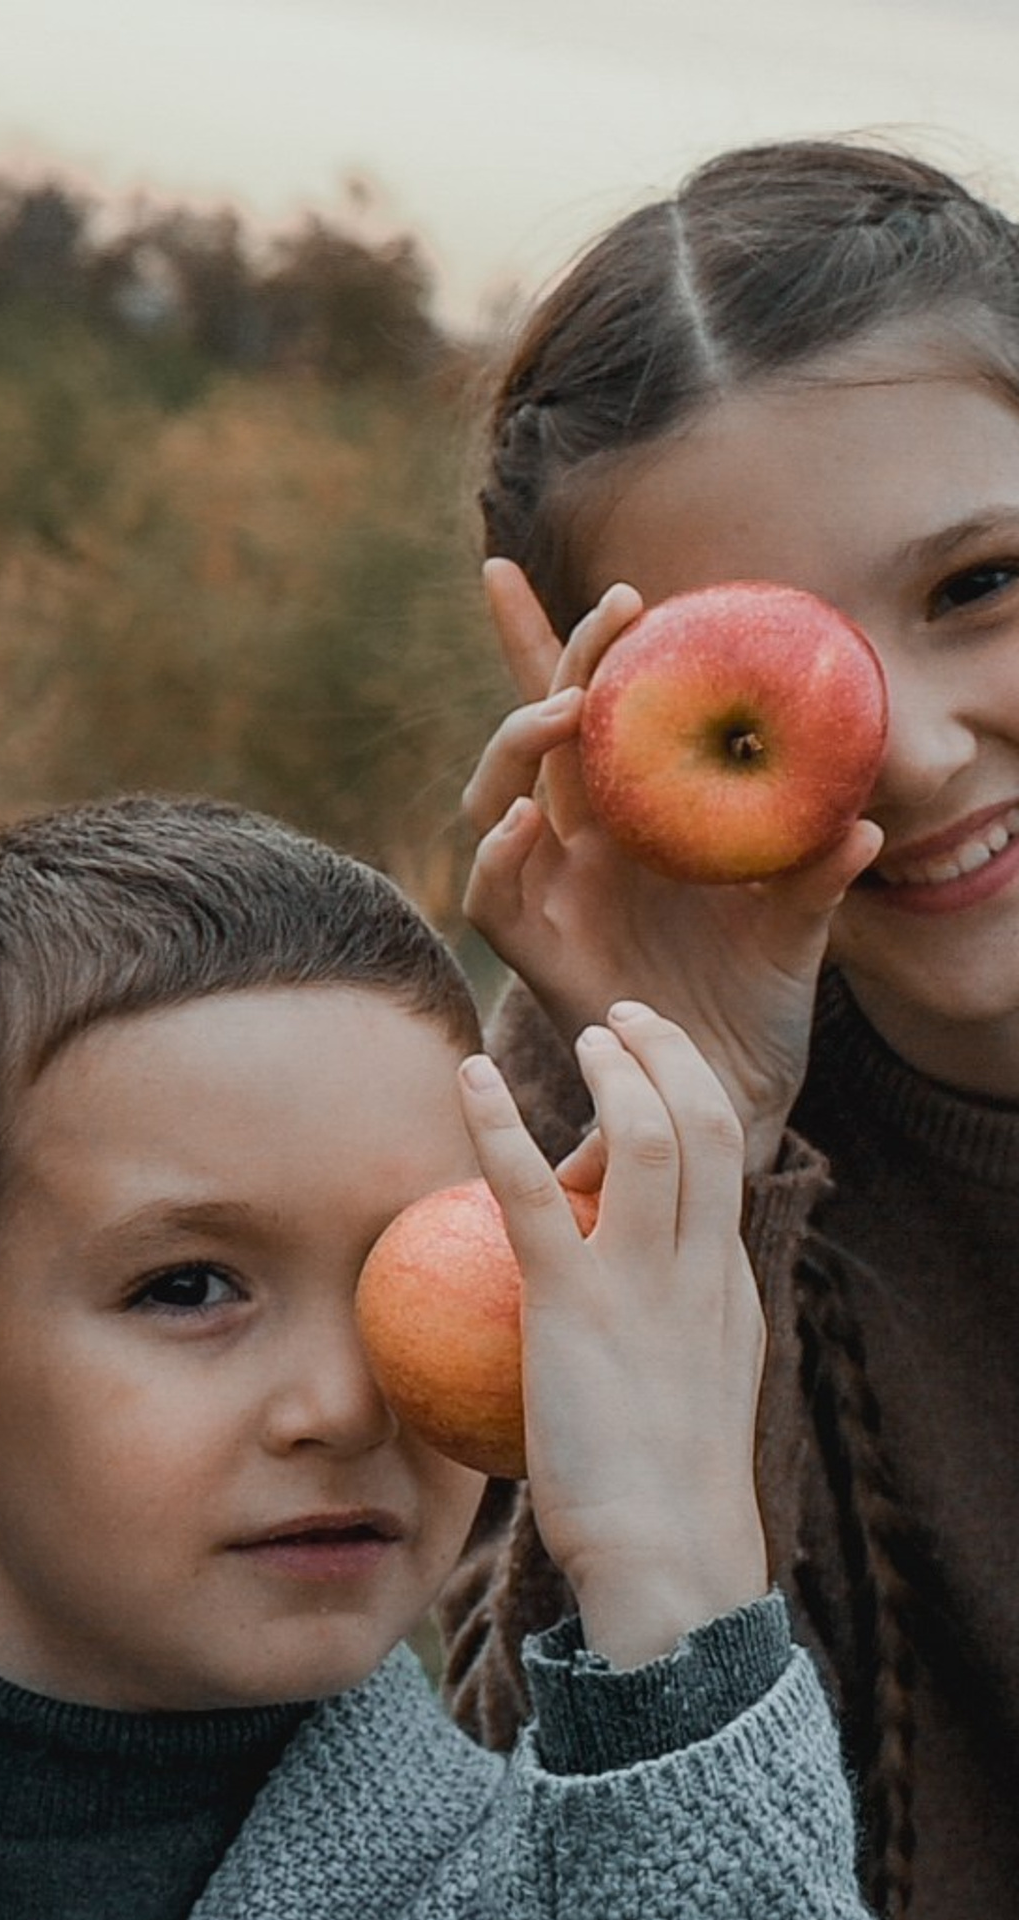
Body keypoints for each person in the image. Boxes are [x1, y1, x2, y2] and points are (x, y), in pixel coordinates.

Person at [0, 792, 868, 1920]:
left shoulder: (564, 1879)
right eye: (189, 1287)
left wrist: (679, 1604)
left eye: (410, 1275)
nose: (343, 1405)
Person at [436, 136, 1019, 1919]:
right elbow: (538, 1845)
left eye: (980, 586)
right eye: (764, 673)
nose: (911, 752)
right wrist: (713, 1145)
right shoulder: (612, 1100)